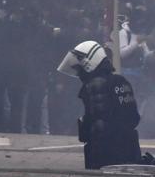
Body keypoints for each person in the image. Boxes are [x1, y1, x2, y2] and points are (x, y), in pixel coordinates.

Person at [57, 40, 142, 169]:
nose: (79, 73)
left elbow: (99, 124)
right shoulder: (120, 81)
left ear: (89, 63)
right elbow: (133, 118)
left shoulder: (96, 85)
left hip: (106, 153)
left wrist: (85, 128)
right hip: (129, 147)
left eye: (80, 68)